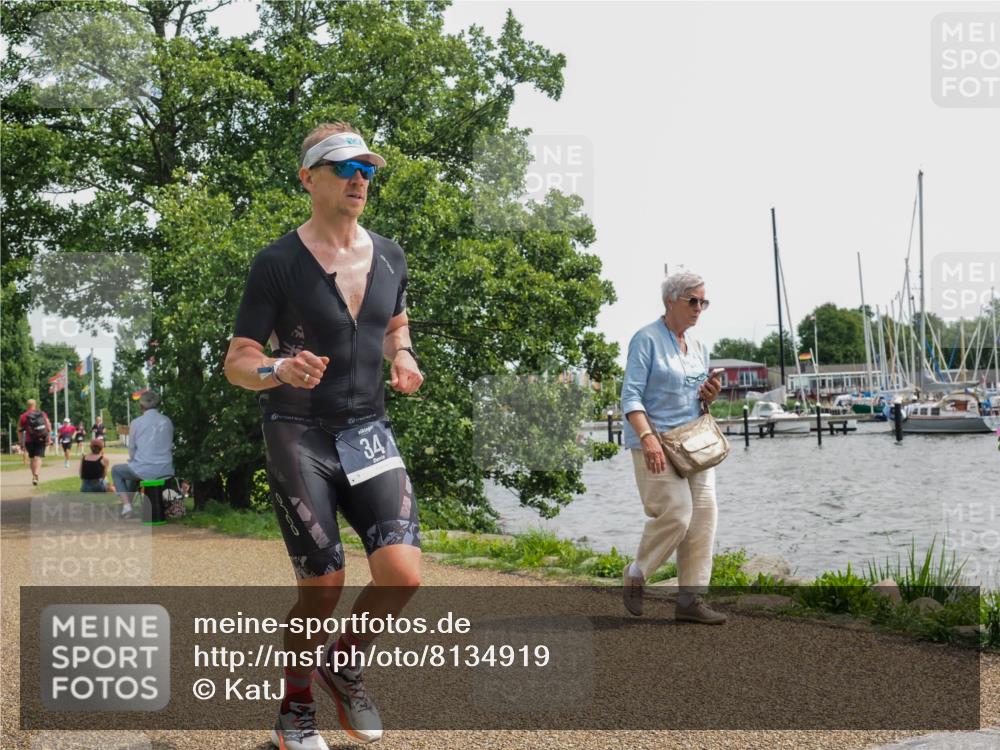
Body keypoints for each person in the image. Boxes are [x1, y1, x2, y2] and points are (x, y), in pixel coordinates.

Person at [224, 122, 423, 750]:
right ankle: (296, 710)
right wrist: (278, 368)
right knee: (325, 585)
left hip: (367, 428)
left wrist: (404, 355)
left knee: (402, 575)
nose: (359, 180)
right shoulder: (278, 263)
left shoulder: (390, 254)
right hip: (297, 430)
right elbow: (237, 360)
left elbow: (395, 319)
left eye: (366, 169)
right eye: (344, 168)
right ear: (309, 178)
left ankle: (342, 660)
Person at [620, 271, 726, 624]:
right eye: (692, 301)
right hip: (656, 441)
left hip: (693, 442)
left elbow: (693, 390)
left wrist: (708, 392)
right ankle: (637, 572)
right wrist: (648, 438)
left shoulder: (697, 346)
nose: (699, 308)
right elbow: (630, 395)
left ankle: (689, 601)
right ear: (671, 301)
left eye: (703, 302)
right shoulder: (645, 340)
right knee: (677, 514)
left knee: (703, 519)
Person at [110, 390, 174, 519]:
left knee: (117, 470)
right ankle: (127, 507)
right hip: (166, 468)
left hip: (145, 469)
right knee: (134, 471)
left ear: (141, 406)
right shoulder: (167, 421)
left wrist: (134, 460)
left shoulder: (136, 423)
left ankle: (127, 506)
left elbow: (132, 449)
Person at [18, 399, 52, 486]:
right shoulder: (42, 414)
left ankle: (34, 476)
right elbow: (48, 425)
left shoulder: (23, 416)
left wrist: (21, 442)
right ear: (35, 405)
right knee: (38, 457)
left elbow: (19, 430)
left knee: (32, 458)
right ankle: (36, 475)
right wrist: (49, 438)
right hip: (41, 438)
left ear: (27, 405)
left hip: (29, 440)